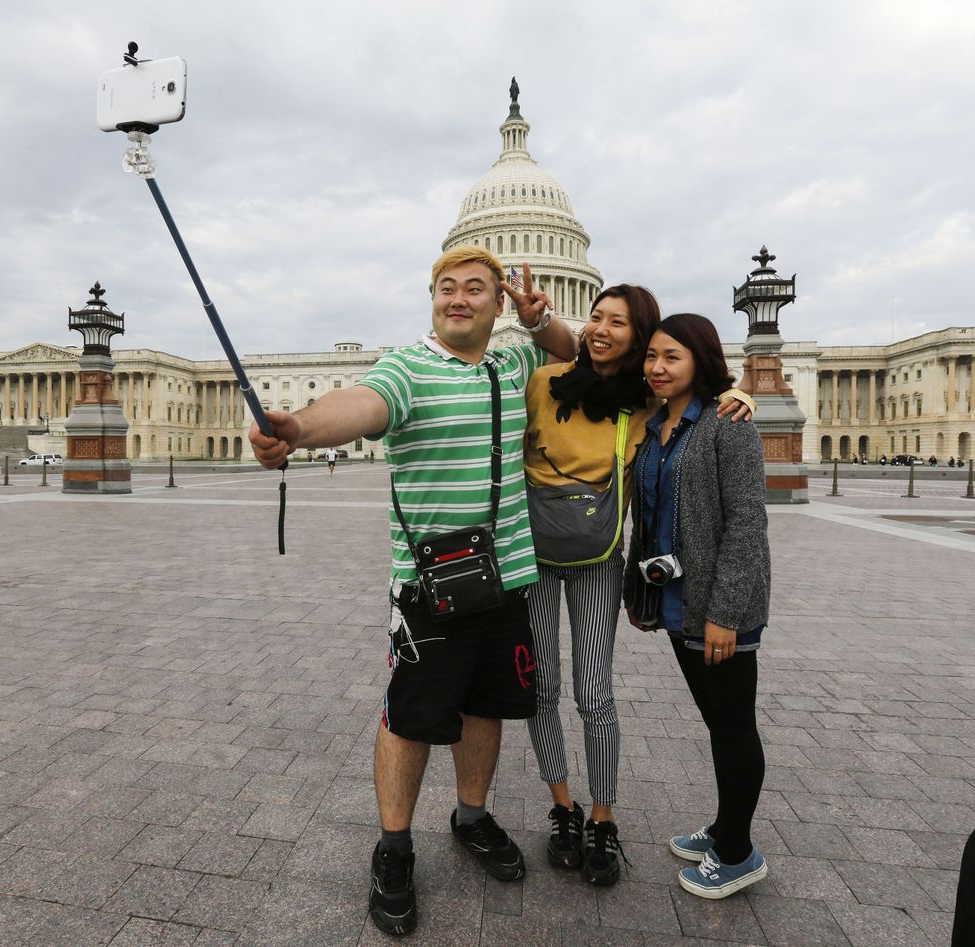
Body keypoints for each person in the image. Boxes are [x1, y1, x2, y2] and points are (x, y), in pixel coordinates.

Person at [250, 246, 577, 937]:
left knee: (486, 708)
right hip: (428, 584)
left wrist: (540, 319)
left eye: (474, 290)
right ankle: (393, 846)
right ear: (433, 300)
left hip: (507, 575)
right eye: (446, 288)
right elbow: (361, 405)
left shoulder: (512, 361)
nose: (457, 299)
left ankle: (472, 816)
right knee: (409, 716)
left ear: (498, 304)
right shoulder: (406, 366)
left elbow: (573, 352)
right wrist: (300, 428)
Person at [523, 285, 753, 887]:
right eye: (594, 317)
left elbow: (698, 410)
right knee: (540, 685)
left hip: (599, 557)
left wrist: (734, 391)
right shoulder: (542, 380)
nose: (600, 329)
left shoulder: (646, 407)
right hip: (535, 553)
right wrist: (542, 320)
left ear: (640, 336)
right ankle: (562, 807)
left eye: (617, 323)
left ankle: (603, 817)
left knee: (594, 688)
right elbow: (559, 346)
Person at [624, 313, 771, 900]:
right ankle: (724, 826)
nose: (658, 368)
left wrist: (726, 614)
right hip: (677, 601)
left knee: (734, 726)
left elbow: (746, 524)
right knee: (717, 722)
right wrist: (644, 596)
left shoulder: (727, 424)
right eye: (653, 356)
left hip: (719, 606)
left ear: (700, 362)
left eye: (673, 357)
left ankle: (739, 853)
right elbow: (651, 520)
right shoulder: (654, 423)